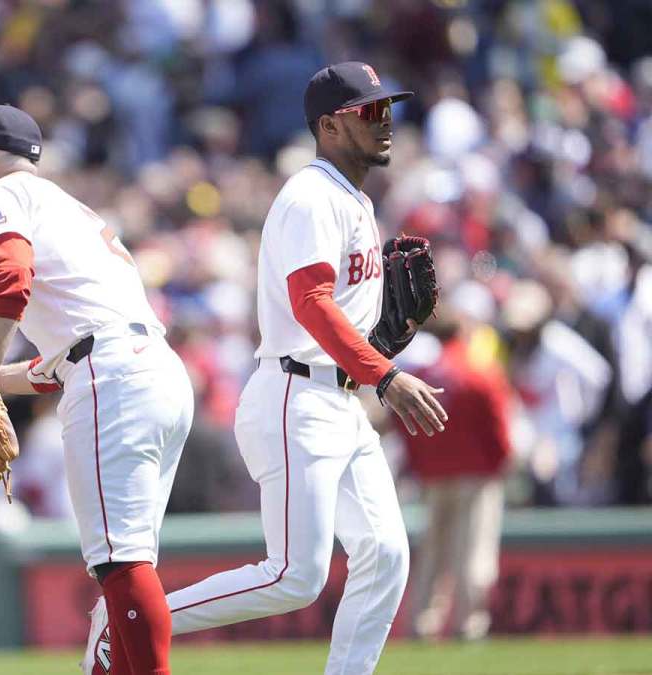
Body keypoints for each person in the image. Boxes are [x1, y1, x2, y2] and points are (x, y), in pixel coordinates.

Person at [84, 61, 448, 675]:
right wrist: (383, 373)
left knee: (385, 554)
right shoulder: (309, 196)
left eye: (387, 108)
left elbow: (343, 317)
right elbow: (311, 304)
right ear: (330, 126)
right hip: (294, 396)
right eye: (370, 111)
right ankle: (126, 626)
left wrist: (380, 348)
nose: (386, 121)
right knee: (294, 576)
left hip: (339, 401)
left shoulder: (353, 196)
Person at [0, 105, 194, 675]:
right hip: (154, 369)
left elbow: (8, 279)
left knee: (120, 565)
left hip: (112, 374)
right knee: (128, 567)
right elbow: (57, 364)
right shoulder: (65, 207)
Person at [399, 302, 512, 641]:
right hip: (475, 475)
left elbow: (405, 427)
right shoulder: (480, 371)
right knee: (473, 550)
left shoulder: (422, 374)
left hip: (433, 475)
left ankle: (423, 622)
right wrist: (499, 464)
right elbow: (499, 429)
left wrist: (420, 465)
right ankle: (468, 624)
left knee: (433, 550)